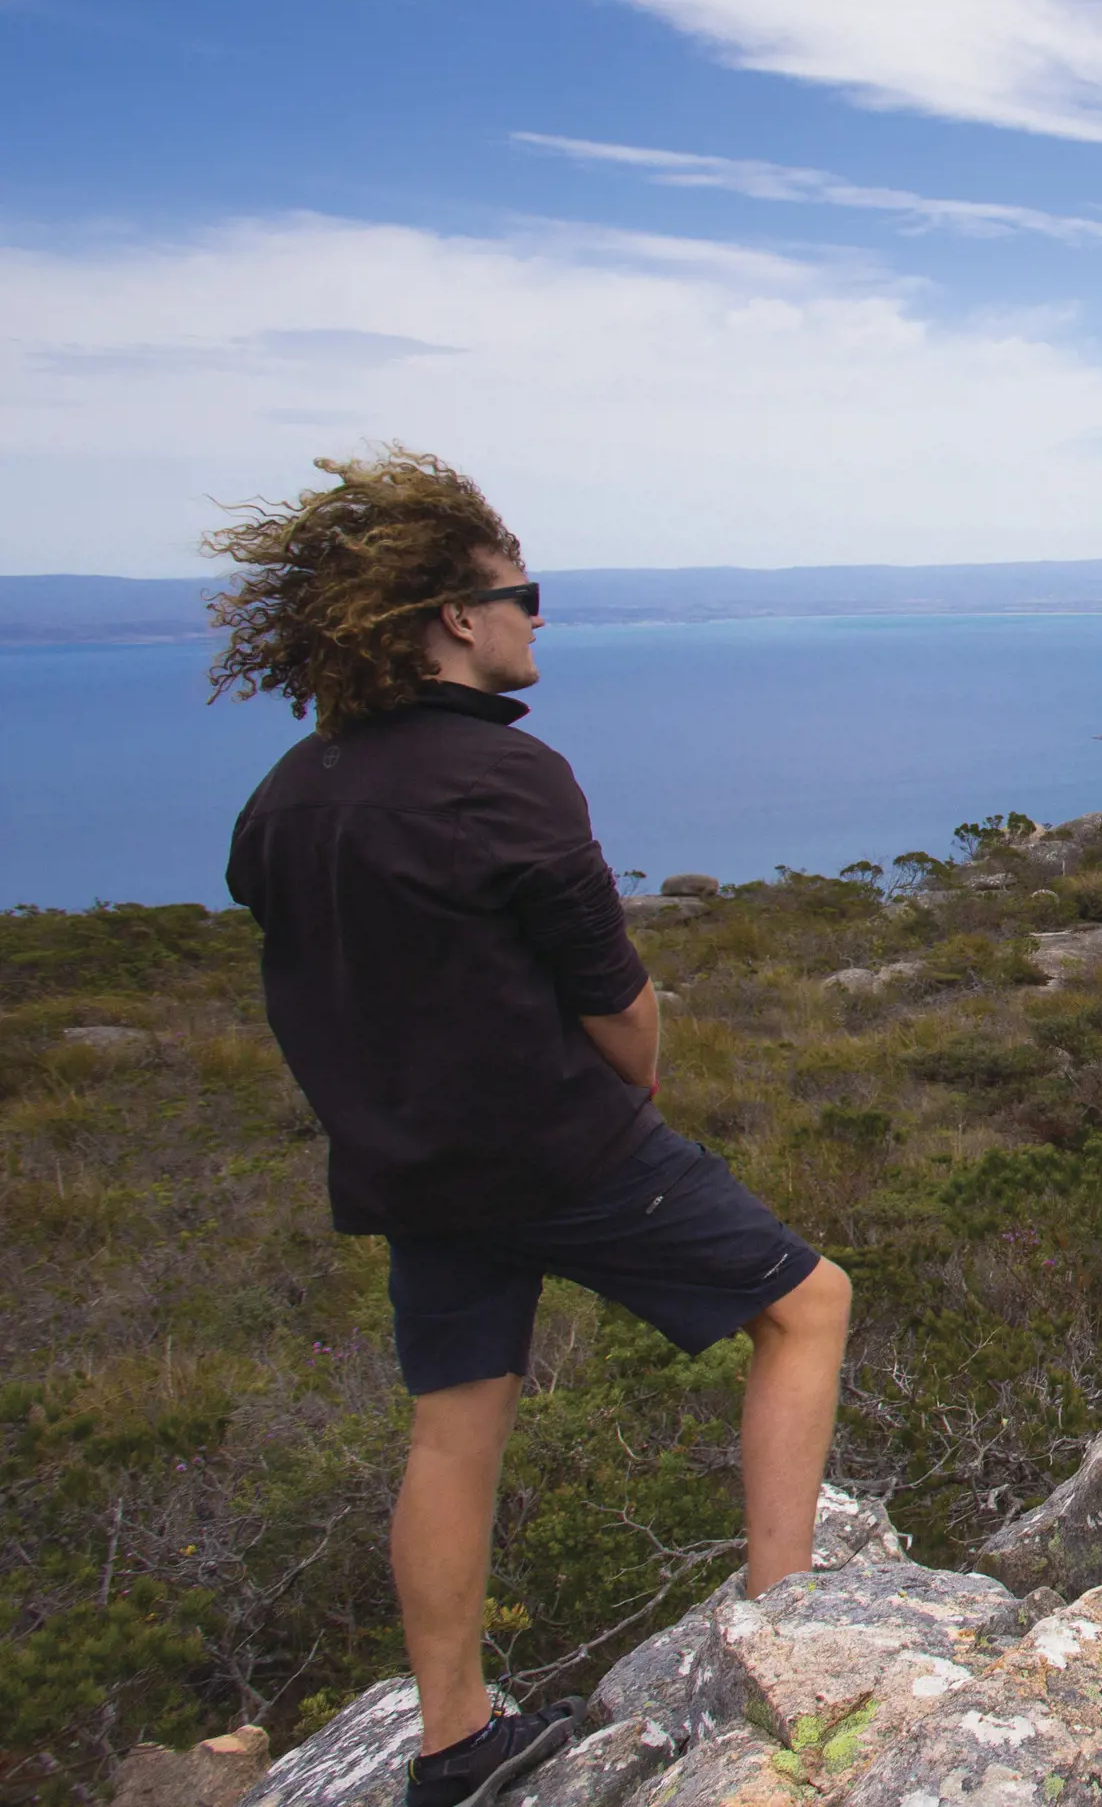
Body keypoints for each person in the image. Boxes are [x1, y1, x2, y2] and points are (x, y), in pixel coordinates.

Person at [214, 450, 851, 1807]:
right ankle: (783, 1625)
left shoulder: (287, 798)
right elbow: (615, 1004)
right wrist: (634, 1075)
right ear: (454, 616)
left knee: (454, 1429)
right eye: (524, 593)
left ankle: (453, 1740)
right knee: (805, 1304)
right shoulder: (505, 778)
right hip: (559, 1145)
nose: (538, 618)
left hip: (409, 1169)